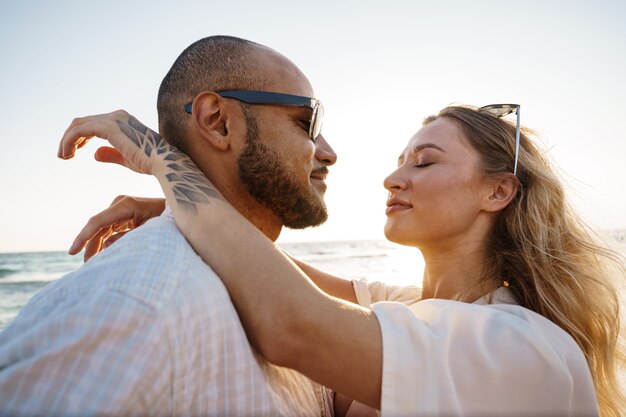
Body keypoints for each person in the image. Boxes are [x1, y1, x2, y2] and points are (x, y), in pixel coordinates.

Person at [59, 104, 625, 416]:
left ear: (498, 192)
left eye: (424, 163)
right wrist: (171, 208)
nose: (393, 177)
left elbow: (294, 322)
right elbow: (268, 266)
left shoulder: (524, 347)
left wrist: (161, 156)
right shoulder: (416, 306)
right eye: (401, 159)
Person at [0, 35, 339, 416]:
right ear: (218, 122)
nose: (328, 152)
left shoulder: (277, 293)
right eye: (308, 121)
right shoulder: (141, 307)